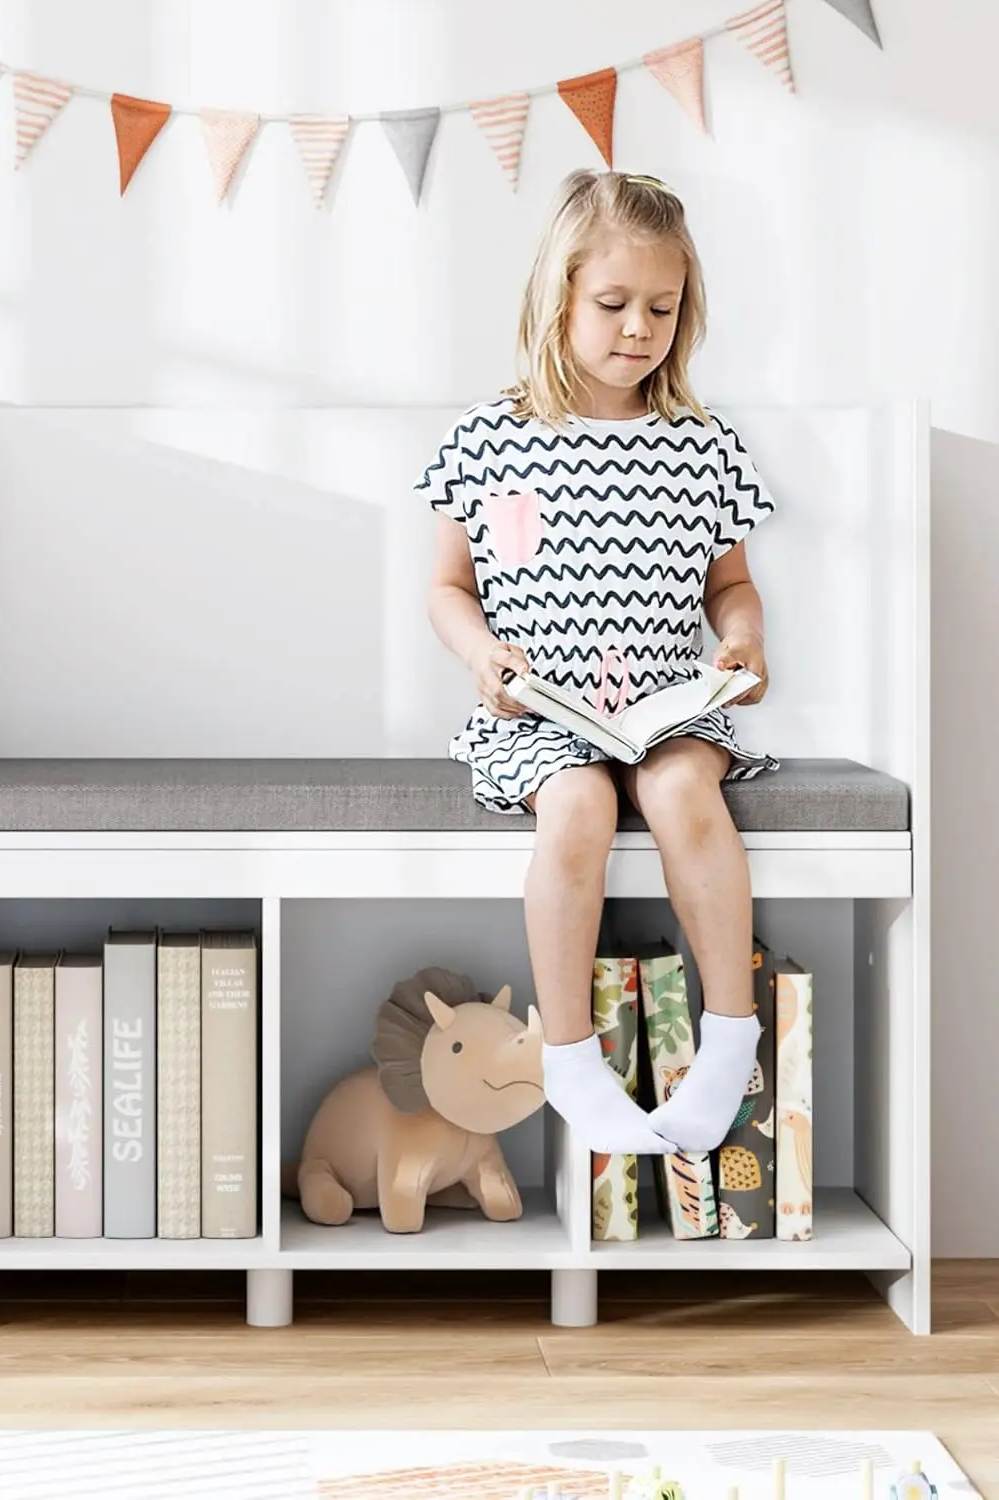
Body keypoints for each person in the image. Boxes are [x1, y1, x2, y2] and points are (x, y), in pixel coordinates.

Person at [418, 169, 776, 1156]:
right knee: (578, 806)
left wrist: (742, 644)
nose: (639, 329)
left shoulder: (699, 447)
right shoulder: (489, 440)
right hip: (542, 714)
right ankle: (570, 1053)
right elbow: (447, 589)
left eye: (662, 308)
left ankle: (729, 1035)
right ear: (560, 297)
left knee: (681, 797)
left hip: (664, 707)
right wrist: (483, 653)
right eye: (614, 304)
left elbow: (728, 589)